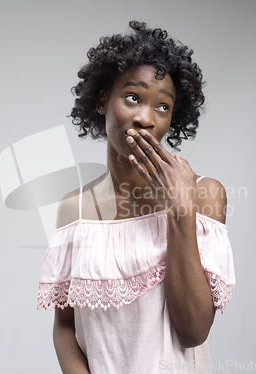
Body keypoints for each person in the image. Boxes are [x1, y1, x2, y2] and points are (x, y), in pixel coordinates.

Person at [37, 21, 236, 373]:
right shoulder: (74, 209)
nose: (146, 118)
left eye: (162, 107)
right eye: (133, 97)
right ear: (102, 101)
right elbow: (65, 327)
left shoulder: (204, 194)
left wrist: (180, 211)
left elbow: (193, 332)